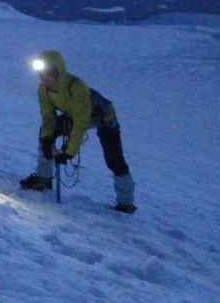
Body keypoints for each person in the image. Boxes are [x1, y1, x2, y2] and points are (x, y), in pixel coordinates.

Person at [19, 50, 136, 213]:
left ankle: (126, 203)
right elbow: (48, 117)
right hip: (73, 114)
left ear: (58, 71)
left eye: (48, 73)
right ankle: (43, 178)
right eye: (41, 73)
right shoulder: (43, 90)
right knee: (45, 136)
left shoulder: (76, 86)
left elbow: (81, 123)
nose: (44, 77)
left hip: (105, 117)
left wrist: (69, 152)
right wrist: (46, 138)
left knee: (114, 159)